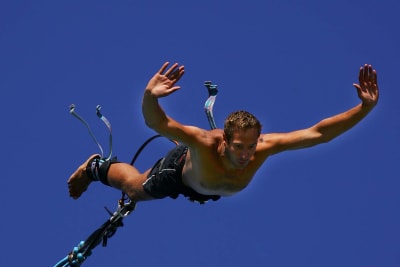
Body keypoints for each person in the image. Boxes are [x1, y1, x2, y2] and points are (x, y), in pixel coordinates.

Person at [68, 62, 379, 204]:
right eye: (240, 147)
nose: (247, 155)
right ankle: (95, 167)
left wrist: (363, 109)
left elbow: (319, 133)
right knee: (135, 190)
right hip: (180, 173)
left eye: (251, 146)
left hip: (210, 189)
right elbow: (158, 124)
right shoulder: (204, 143)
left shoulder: (265, 147)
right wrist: (150, 97)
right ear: (225, 140)